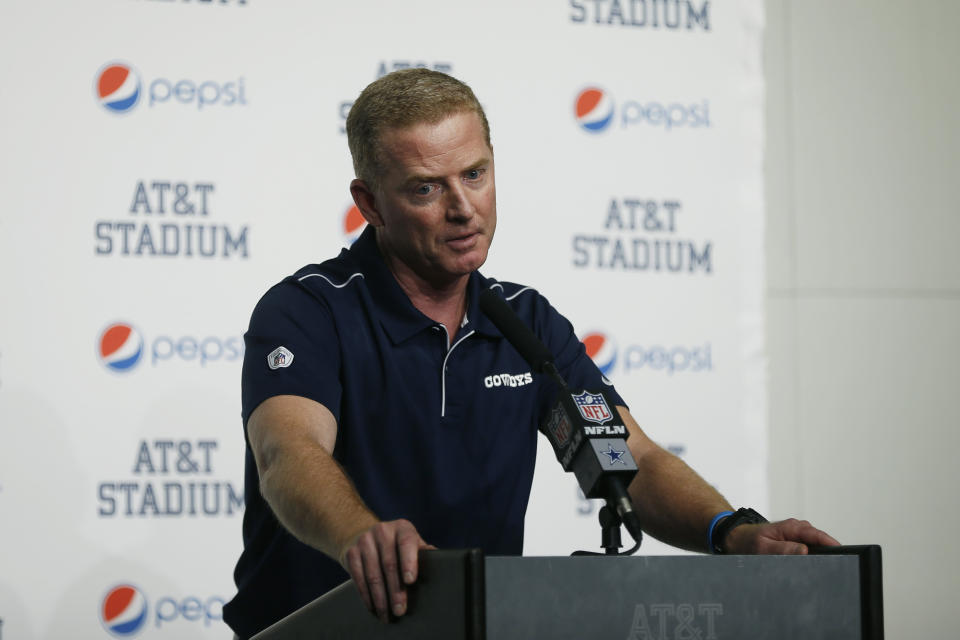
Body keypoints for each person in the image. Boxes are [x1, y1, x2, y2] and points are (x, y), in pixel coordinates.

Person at [222, 69, 838, 639]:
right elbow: (288, 453)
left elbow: (629, 459)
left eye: (475, 174)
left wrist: (729, 531)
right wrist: (361, 535)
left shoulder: (525, 323)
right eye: (426, 188)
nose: (463, 207)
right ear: (371, 203)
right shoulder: (308, 311)